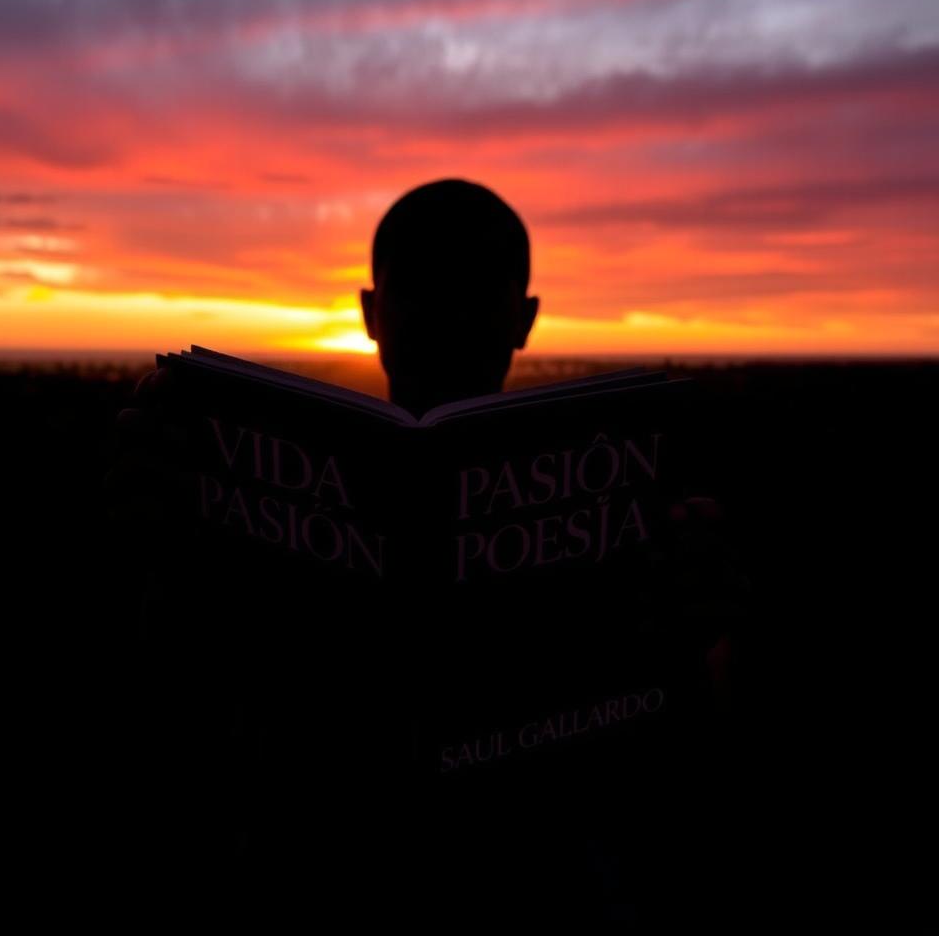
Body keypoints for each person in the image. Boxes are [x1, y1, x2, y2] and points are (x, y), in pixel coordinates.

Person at [105, 178, 746, 914]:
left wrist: (700, 644)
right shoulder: (224, 493)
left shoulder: (629, 507)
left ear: (525, 319)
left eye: (475, 289)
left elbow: (677, 774)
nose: (447, 317)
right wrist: (151, 557)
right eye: (420, 289)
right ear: (372, 313)